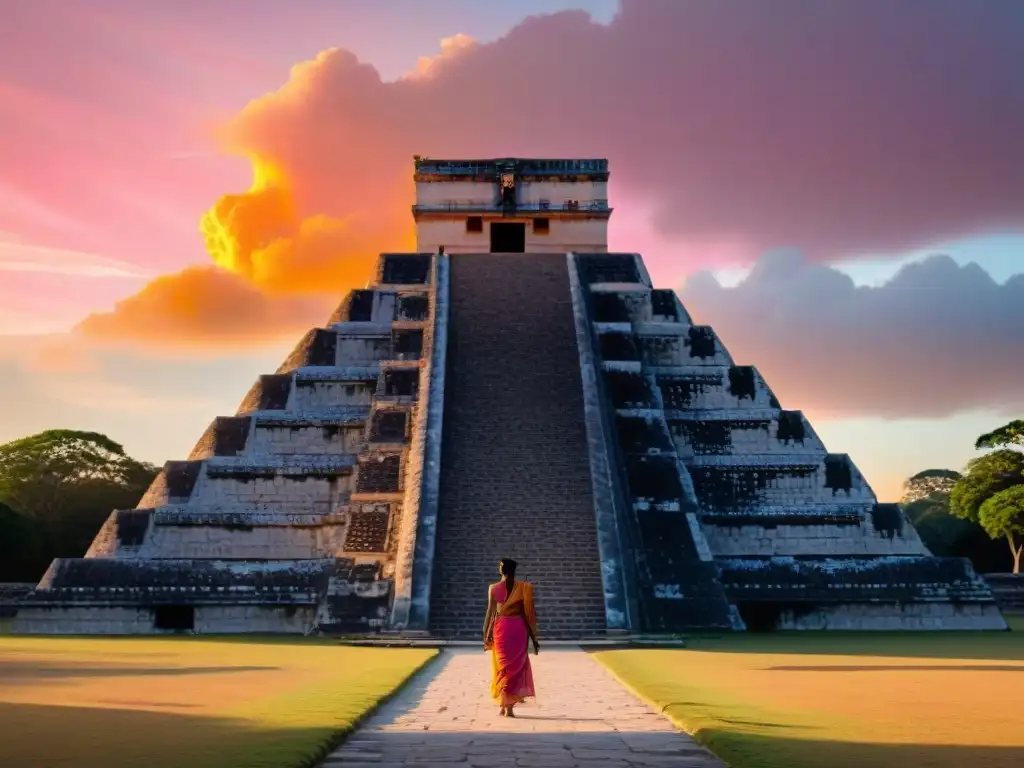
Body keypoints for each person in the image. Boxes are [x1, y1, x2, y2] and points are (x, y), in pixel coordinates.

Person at [483, 558, 539, 717]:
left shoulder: (495, 588)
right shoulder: (523, 588)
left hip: (504, 628)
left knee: (506, 667)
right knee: (511, 668)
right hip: (516, 629)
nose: (498, 567)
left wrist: (486, 633)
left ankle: (507, 706)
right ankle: (506, 704)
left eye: (500, 565)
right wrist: (533, 637)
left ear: (504, 569)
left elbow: (490, 613)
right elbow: (528, 614)